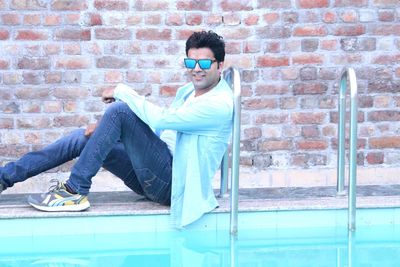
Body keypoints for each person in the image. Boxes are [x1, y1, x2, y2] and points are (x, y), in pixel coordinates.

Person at [0, 30, 233, 228]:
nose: (196, 69)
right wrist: (105, 132)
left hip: (173, 185)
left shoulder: (219, 104)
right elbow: (163, 133)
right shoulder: (188, 91)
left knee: (119, 110)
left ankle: (74, 190)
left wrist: (122, 91)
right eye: (190, 62)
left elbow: (162, 120)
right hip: (155, 174)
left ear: (220, 65)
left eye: (204, 63)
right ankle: (5, 177)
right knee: (86, 137)